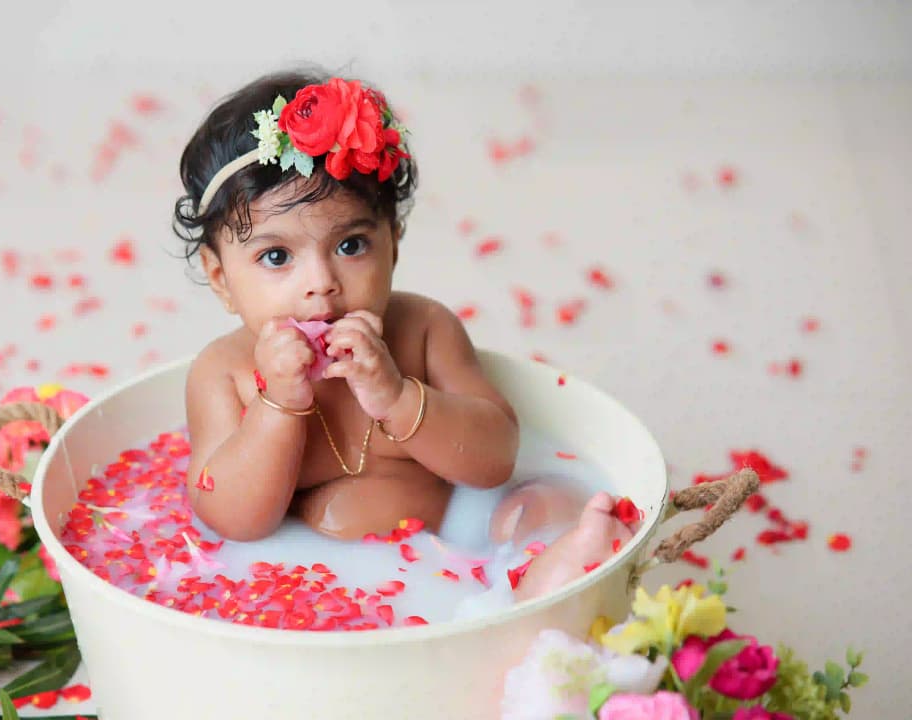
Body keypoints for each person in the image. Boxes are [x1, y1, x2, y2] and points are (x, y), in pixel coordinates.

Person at [173, 69, 637, 603]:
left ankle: (548, 581)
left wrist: (395, 396)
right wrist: (277, 405)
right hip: (312, 587)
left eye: (350, 246)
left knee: (546, 505)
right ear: (221, 279)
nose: (321, 283)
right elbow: (231, 518)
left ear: (393, 241)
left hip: (462, 551)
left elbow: (495, 458)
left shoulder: (423, 331)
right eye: (276, 257)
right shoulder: (224, 373)